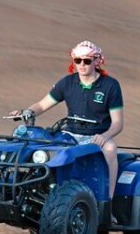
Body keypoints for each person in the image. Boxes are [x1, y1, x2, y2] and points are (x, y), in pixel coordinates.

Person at [10, 40, 124, 198]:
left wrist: (105, 136)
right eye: (78, 60)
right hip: (69, 134)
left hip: (98, 136)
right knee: (43, 147)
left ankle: (108, 202)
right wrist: (27, 111)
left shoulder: (110, 86)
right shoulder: (67, 82)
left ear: (97, 61)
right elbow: (42, 105)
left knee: (111, 149)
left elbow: (118, 123)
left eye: (87, 61)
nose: (82, 65)